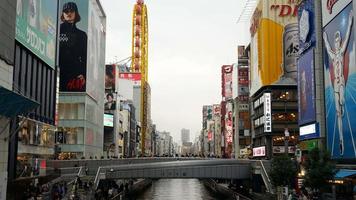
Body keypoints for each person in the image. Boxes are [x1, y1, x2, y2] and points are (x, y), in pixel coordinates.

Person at [323, 11, 353, 156]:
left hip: (341, 82)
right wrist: (324, 38)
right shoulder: (333, 54)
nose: (337, 43)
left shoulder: (341, 52)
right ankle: (341, 140)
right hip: (335, 84)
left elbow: (347, 36)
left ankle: (344, 138)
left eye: (338, 41)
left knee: (341, 101)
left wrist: (351, 21)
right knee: (337, 113)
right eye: (335, 41)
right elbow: (327, 47)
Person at [59, 2, 87, 92]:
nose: (69, 13)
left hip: (75, 74)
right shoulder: (56, 29)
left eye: (71, 11)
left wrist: (83, 73)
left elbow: (84, 57)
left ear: (76, 13)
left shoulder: (82, 35)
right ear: (63, 14)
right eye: (66, 11)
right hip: (58, 70)